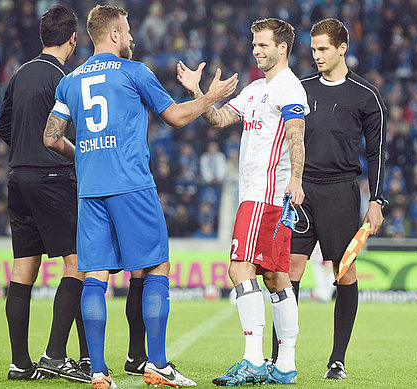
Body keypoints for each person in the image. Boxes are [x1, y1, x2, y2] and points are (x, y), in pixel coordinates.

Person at [43, 5, 238, 388]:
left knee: (95, 275)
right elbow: (176, 117)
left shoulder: (70, 80)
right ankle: (158, 364)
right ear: (114, 35)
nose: (132, 38)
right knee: (156, 268)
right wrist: (209, 97)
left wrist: (83, 152)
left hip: (91, 189)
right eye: (128, 31)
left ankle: (98, 371)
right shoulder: (136, 72)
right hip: (132, 184)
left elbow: (51, 136)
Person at [177, 17, 308, 386]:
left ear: (282, 48)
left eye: (263, 44)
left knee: (239, 269)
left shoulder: (289, 88)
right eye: (254, 44)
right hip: (263, 197)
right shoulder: (254, 90)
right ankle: (285, 366)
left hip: (264, 195)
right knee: (276, 277)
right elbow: (217, 120)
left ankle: (252, 359)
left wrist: (296, 179)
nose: (256, 50)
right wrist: (200, 93)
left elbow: (297, 137)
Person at [280, 18, 387, 380]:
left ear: (343, 48)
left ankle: (337, 360)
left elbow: (377, 153)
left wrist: (377, 200)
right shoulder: (300, 88)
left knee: (344, 271)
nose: (317, 55)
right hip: (301, 190)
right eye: (313, 49)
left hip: (342, 191)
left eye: (323, 48)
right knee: (289, 269)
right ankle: (283, 358)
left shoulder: (366, 95)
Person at [0, 5, 90, 383]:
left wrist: (24, 148)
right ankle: (56, 356)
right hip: (53, 176)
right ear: (72, 39)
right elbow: (78, 134)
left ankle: (20, 363)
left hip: (17, 177)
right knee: (79, 264)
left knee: (23, 269)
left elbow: (3, 125)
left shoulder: (19, 74)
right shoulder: (63, 79)